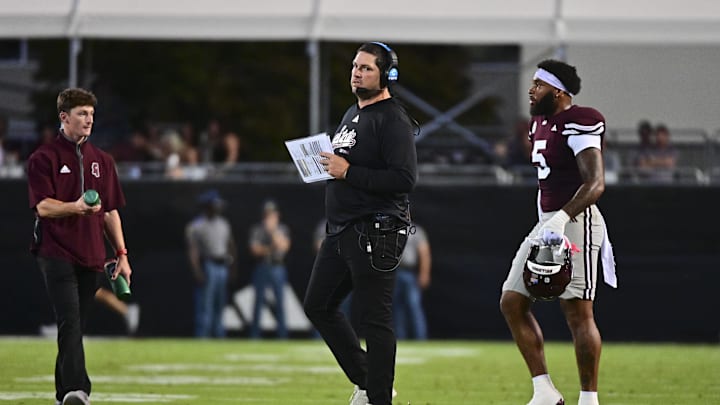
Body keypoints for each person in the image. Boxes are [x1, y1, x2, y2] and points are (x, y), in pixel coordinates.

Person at [303, 42, 418, 405]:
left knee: (375, 320)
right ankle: (370, 381)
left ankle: (378, 397)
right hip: (341, 230)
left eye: (367, 68)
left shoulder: (392, 118)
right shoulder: (352, 113)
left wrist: (348, 170)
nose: (357, 72)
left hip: (375, 230)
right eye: (355, 66)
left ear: (386, 75)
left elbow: (404, 179)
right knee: (318, 306)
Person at [499, 60, 616, 405]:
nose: (531, 90)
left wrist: (561, 219)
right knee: (512, 301)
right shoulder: (539, 125)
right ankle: (544, 390)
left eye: (539, 84)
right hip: (548, 221)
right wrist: (544, 222)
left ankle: (588, 399)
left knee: (577, 312)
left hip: (577, 220)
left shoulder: (580, 119)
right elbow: (544, 183)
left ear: (559, 91)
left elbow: (595, 183)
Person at [27, 87, 133, 405]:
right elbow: (43, 207)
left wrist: (122, 255)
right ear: (64, 117)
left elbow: (110, 212)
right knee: (70, 320)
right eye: (81, 114)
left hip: (92, 256)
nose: (89, 120)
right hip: (55, 251)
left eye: (91, 114)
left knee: (74, 326)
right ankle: (79, 390)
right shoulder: (42, 158)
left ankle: (64, 395)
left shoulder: (102, 160)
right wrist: (76, 207)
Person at [186, 189, 237, 338]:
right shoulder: (197, 225)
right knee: (205, 305)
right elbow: (193, 251)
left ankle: (219, 336)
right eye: (215, 204)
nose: (218, 207)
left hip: (223, 266)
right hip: (208, 265)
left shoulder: (223, 223)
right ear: (208, 206)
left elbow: (231, 246)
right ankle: (203, 337)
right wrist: (197, 271)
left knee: (220, 304)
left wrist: (233, 268)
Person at [249, 199, 291, 338]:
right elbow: (255, 250)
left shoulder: (282, 229)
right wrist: (270, 248)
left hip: (277, 266)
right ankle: (254, 335)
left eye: (272, 214)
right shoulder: (257, 229)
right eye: (267, 215)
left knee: (280, 302)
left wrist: (273, 232)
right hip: (262, 266)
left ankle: (282, 335)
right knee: (258, 302)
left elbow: (284, 246)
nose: (270, 217)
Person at [392, 223, 431, 340]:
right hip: (394, 272)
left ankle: (420, 337)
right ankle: (399, 338)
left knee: (414, 305)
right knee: (396, 308)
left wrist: (424, 273)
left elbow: (424, 253)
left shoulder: (416, 231)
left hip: (409, 272)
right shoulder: (392, 230)